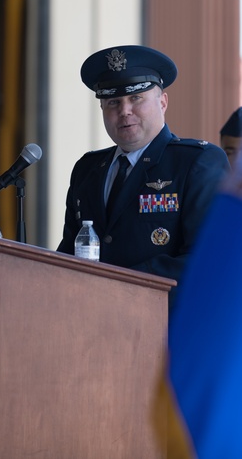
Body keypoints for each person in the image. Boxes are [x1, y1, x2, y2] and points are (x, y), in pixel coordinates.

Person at [56, 45, 229, 304]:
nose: (124, 110)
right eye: (113, 102)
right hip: (88, 324)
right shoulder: (87, 170)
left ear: (163, 102)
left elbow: (209, 260)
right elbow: (70, 252)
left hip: (162, 327)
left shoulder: (197, 162)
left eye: (136, 98)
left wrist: (120, 283)